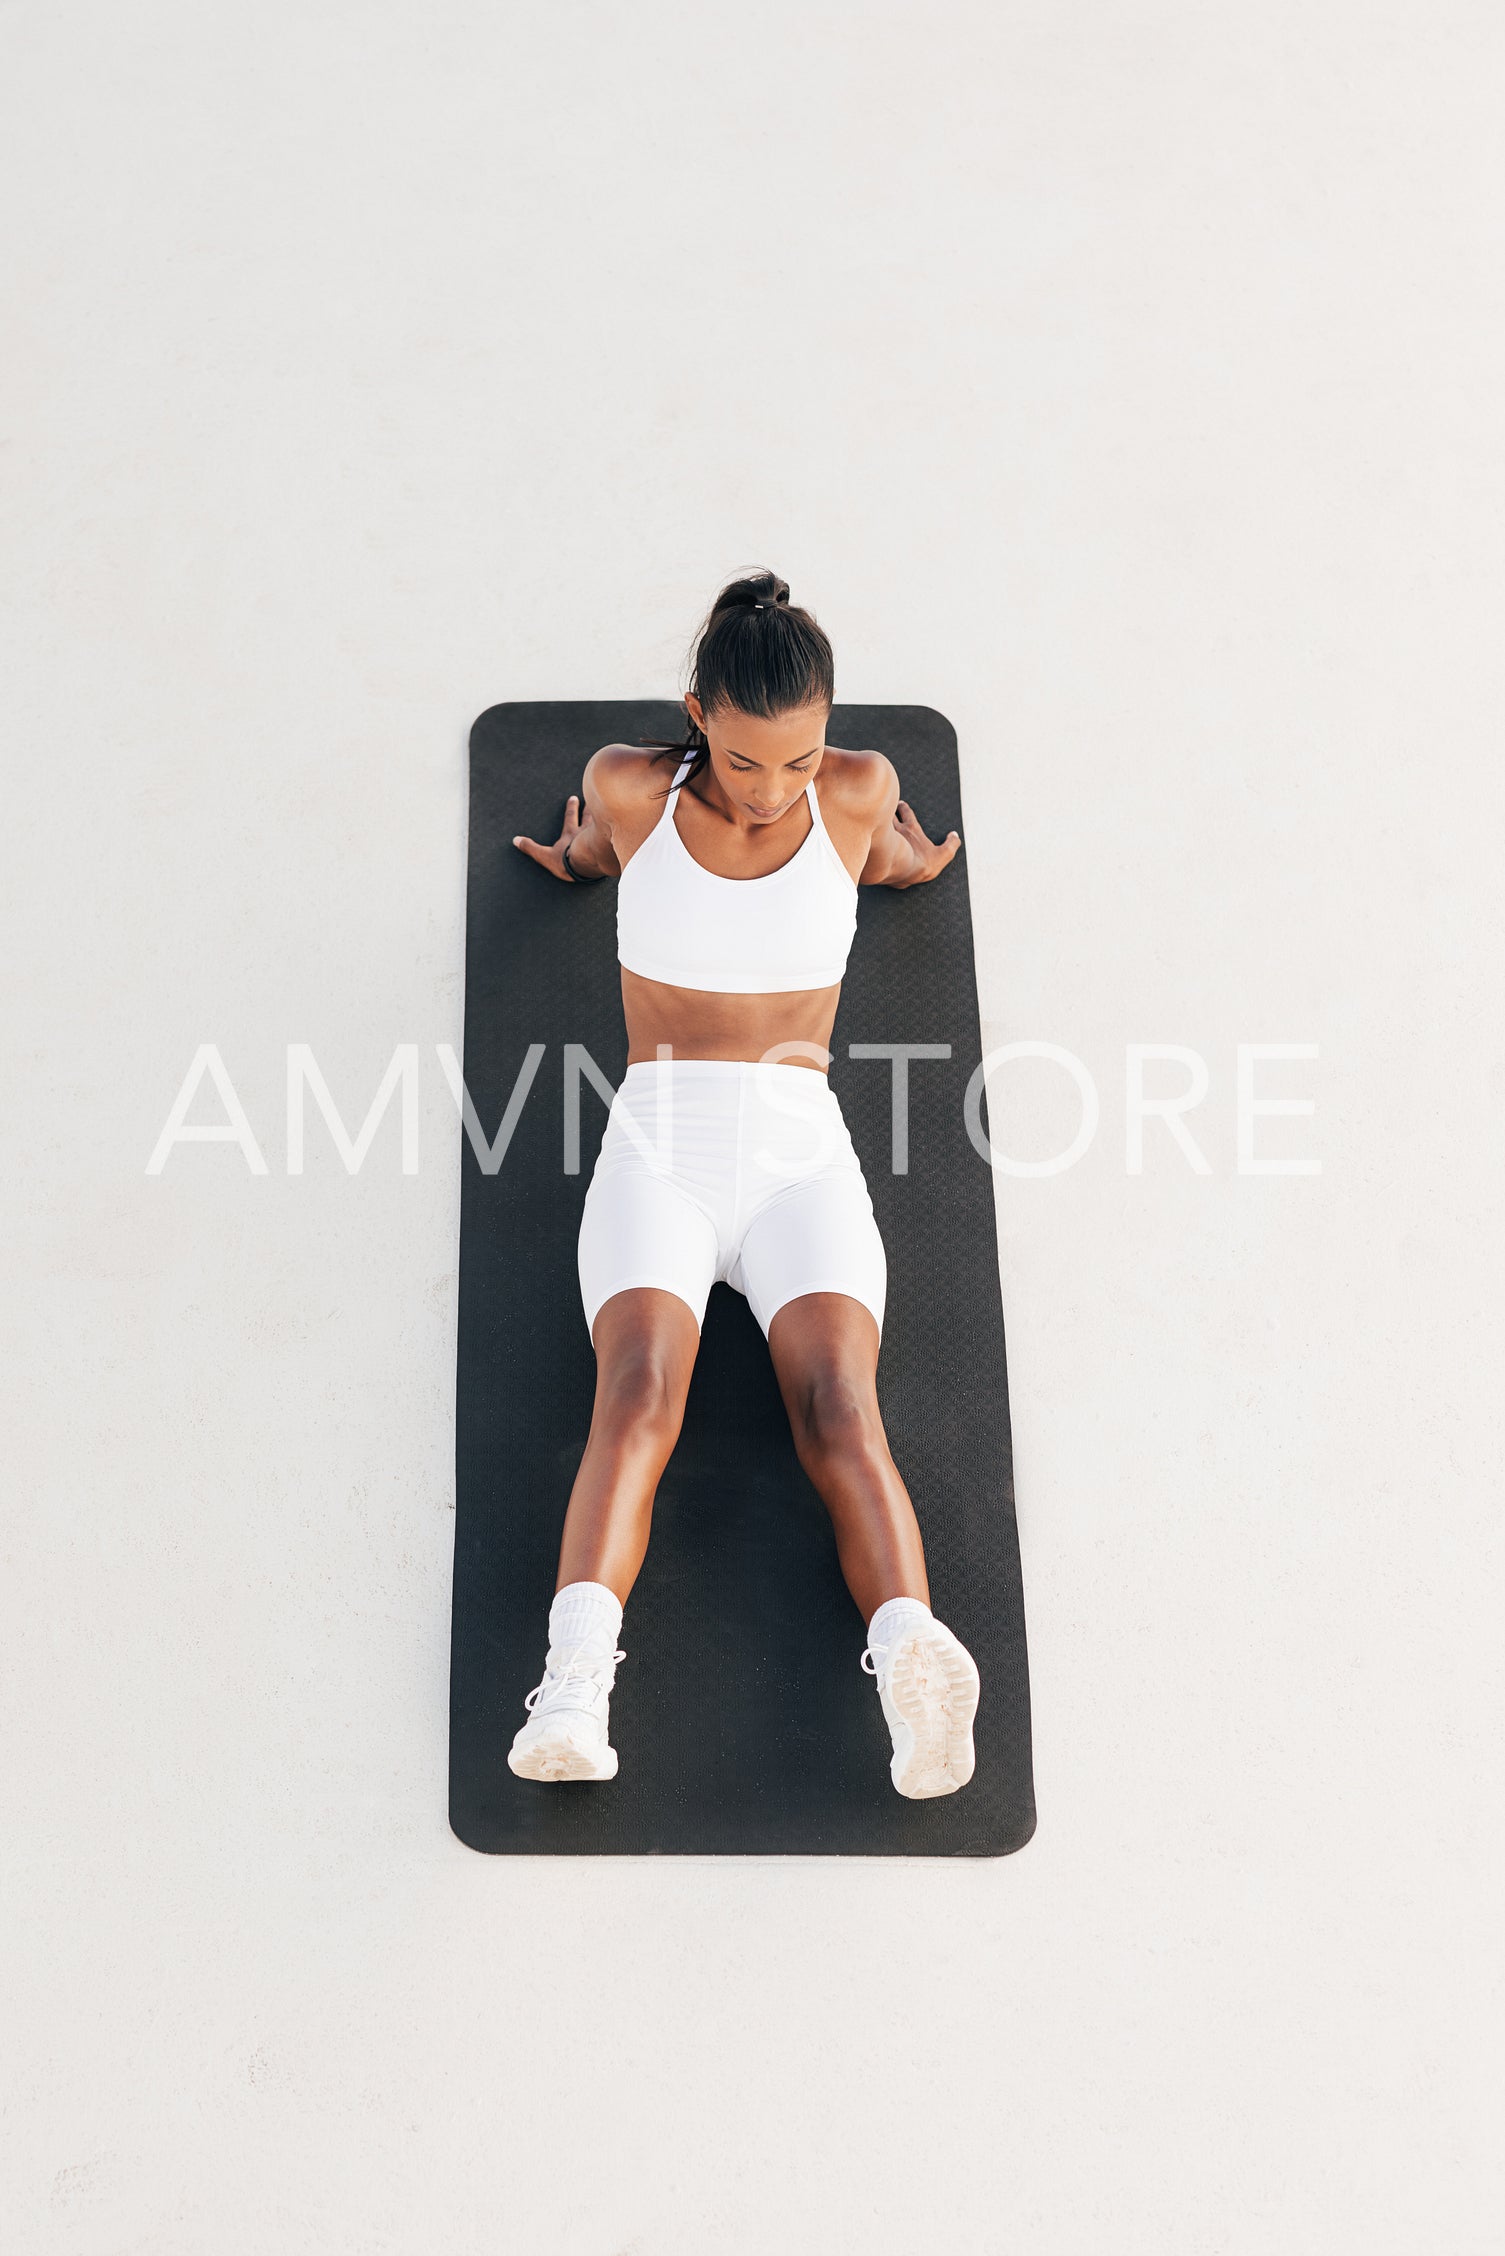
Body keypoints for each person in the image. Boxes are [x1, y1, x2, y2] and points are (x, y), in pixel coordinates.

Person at [505, 570, 981, 1799]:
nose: (775, 792)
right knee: (639, 1396)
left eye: (800, 760)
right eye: (746, 760)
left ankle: (913, 1660)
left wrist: (910, 869)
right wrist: (567, 858)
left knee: (836, 1403)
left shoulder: (857, 792)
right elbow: (595, 848)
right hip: (658, 1142)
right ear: (695, 717)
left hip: (795, 1152)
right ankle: (571, 1693)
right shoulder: (629, 786)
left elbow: (876, 855)